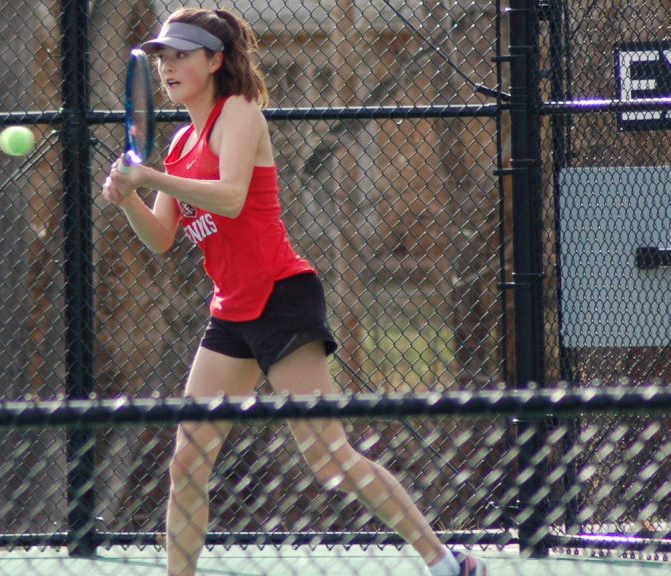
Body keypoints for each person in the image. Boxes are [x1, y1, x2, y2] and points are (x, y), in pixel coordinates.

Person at [100, 8, 487, 576]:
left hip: (283, 297)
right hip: (230, 311)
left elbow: (229, 197)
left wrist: (149, 179)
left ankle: (445, 561)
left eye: (182, 54)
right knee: (188, 463)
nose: (169, 67)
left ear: (216, 60)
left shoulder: (240, 113)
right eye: (163, 57)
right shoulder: (180, 142)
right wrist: (129, 198)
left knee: (331, 461)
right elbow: (161, 237)